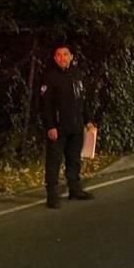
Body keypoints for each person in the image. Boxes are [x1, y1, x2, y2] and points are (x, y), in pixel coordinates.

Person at [41, 44, 97, 209]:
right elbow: (45, 105)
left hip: (76, 125)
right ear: (54, 58)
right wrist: (50, 126)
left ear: (71, 57)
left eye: (65, 54)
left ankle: (75, 189)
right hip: (58, 128)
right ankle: (52, 195)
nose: (62, 58)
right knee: (54, 161)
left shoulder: (77, 76)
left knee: (74, 159)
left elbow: (83, 100)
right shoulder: (50, 78)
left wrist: (89, 120)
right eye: (58, 55)